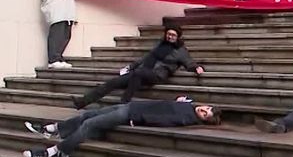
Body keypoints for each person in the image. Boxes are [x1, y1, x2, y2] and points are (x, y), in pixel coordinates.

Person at [22, 97, 221, 157]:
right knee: (89, 114)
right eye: (207, 108)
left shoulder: (186, 117)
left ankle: (56, 150)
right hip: (131, 106)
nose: (203, 110)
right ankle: (54, 128)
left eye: (206, 114)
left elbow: (163, 119)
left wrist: (139, 121)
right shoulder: (189, 106)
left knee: (89, 125)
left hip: (131, 114)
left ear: (202, 120)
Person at [73, 23, 204, 109]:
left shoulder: (180, 50)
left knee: (138, 73)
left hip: (158, 74)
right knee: (112, 82)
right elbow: (146, 57)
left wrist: (196, 67)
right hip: (142, 72)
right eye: (168, 34)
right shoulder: (160, 44)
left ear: (178, 37)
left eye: (173, 35)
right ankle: (82, 102)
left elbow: (188, 61)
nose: (170, 37)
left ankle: (124, 103)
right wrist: (131, 66)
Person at [40, 0, 77, 69]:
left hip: (66, 12)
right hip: (56, 11)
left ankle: (59, 57)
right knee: (56, 34)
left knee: (65, 35)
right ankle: (53, 59)